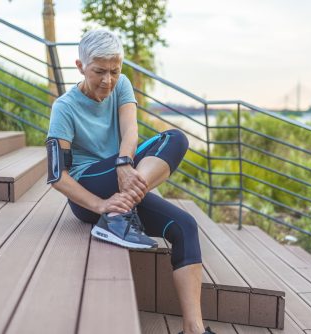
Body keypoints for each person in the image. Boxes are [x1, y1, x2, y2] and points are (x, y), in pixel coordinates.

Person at [46, 29, 215, 334]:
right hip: (90, 192)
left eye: (115, 71)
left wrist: (125, 162)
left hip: (123, 183)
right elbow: (58, 176)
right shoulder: (64, 108)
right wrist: (101, 203)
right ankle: (114, 214)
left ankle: (194, 330)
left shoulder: (121, 85)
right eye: (99, 71)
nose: (108, 80)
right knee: (124, 172)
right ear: (80, 66)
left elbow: (130, 131)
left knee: (184, 220)